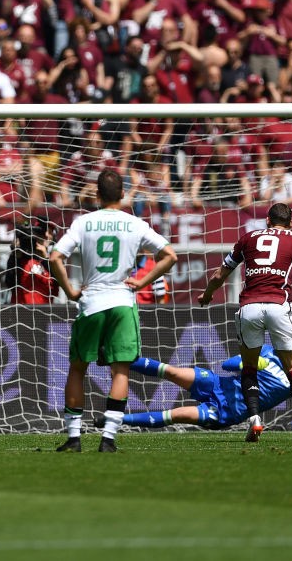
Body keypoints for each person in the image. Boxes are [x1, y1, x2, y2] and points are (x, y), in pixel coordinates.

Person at [48, 169, 178, 452]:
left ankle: (74, 438)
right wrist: (142, 281)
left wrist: (70, 290)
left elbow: (55, 257)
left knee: (77, 369)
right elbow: (170, 255)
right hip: (122, 301)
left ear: (97, 194)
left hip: (92, 301)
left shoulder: (84, 222)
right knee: (120, 371)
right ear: (123, 194)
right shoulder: (135, 223)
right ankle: (108, 439)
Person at [197, 202, 292, 442]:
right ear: (291, 223)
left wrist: (207, 295)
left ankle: (255, 420)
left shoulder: (248, 238)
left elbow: (220, 274)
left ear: (267, 220)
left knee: (249, 367)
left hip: (250, 307)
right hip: (279, 305)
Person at [113, 345, 292, 434]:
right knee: (171, 371)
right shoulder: (266, 350)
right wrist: (249, 363)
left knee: (176, 414)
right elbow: (227, 365)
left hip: (227, 412)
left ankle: (115, 420)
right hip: (217, 384)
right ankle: (117, 357)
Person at [8, 217, 55, 305]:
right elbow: (10, 283)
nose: (46, 235)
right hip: (20, 310)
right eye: (41, 233)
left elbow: (58, 285)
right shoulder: (20, 257)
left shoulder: (55, 259)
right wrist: (15, 257)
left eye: (50, 232)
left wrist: (45, 258)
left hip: (45, 310)